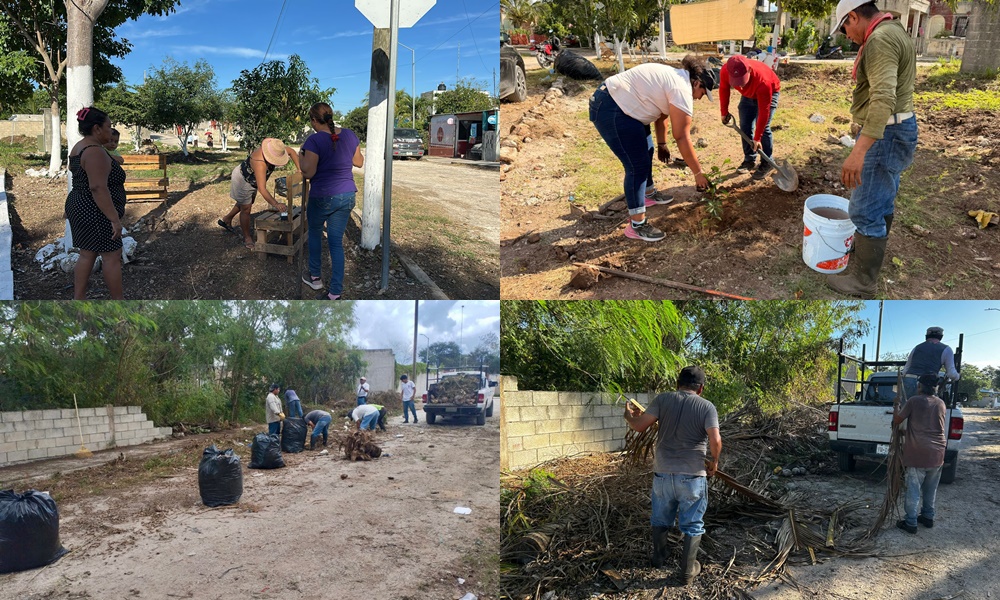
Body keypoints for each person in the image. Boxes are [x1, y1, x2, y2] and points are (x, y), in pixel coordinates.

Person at [827, 0, 917, 297]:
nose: (847, 36)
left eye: (844, 28)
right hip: (899, 128)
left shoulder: (879, 39)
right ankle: (870, 256)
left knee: (864, 209)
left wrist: (859, 151)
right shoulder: (894, 29)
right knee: (882, 198)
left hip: (885, 133)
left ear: (853, 17)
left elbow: (883, 99)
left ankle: (864, 281)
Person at [589, 56, 718, 242]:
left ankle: (647, 194)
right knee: (637, 166)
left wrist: (661, 144)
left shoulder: (677, 77)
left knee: (647, 150)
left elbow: (662, 115)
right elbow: (682, 136)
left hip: (623, 104)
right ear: (696, 83)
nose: (699, 98)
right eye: (703, 93)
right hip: (613, 109)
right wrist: (698, 173)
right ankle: (637, 225)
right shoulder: (681, 88)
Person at [623, 366, 721, 585]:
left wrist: (628, 416)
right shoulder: (707, 406)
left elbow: (639, 426)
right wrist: (714, 461)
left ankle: (659, 557)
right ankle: (687, 572)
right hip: (692, 476)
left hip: (663, 474)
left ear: (678, 384)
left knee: (660, 518)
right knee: (692, 524)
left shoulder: (663, 399)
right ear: (701, 388)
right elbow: (715, 440)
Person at [299, 102, 364, 300]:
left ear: (313, 120)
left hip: (323, 196)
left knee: (315, 234)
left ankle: (315, 278)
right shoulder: (350, 135)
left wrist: (300, 156)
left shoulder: (314, 140)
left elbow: (308, 173)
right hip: (347, 195)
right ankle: (335, 292)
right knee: (336, 243)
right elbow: (359, 162)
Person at [65, 107, 128, 300]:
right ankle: (119, 304)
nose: (111, 131)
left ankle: (78, 300)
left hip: (82, 205)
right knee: (112, 256)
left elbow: (79, 177)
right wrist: (114, 219)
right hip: (95, 210)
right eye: (108, 126)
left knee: (87, 254)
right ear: (97, 128)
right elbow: (98, 188)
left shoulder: (80, 147)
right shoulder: (94, 152)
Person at [219, 137, 303, 250]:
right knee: (246, 208)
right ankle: (247, 237)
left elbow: (292, 152)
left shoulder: (277, 149)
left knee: (246, 202)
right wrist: (276, 204)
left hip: (253, 180)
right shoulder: (259, 162)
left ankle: (227, 219)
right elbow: (262, 189)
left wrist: (299, 169)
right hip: (243, 180)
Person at [892, 373, 947, 534]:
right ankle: (928, 517)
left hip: (918, 453)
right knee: (930, 489)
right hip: (938, 453)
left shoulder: (914, 401)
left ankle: (911, 522)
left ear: (920, 386)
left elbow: (897, 421)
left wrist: (896, 405)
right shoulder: (941, 403)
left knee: (913, 490)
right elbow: (928, 426)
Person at [719, 54, 781, 180]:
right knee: (745, 126)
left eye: (742, 81)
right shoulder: (725, 70)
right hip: (748, 95)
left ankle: (767, 162)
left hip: (768, 91)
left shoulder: (763, 81)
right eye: (736, 82)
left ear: (749, 70)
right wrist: (724, 112)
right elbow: (724, 88)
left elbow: (764, 112)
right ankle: (749, 159)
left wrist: (757, 138)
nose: (740, 85)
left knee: (763, 128)